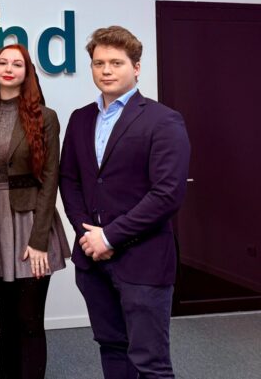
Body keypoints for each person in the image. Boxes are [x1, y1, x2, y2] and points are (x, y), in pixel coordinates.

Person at [60, 26, 190, 378]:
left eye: (116, 63)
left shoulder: (163, 120)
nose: (106, 70)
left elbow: (167, 194)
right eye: (99, 63)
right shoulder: (80, 118)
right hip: (92, 261)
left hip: (143, 261)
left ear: (136, 67)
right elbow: (69, 180)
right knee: (112, 348)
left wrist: (109, 236)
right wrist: (88, 235)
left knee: (151, 363)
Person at [0, 44, 70, 379]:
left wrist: (39, 240)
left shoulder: (45, 117)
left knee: (29, 320)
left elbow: (50, 179)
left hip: (30, 222)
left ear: (27, 72)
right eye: (2, 62)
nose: (8, 68)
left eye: (17, 64)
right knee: (6, 321)